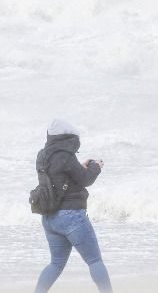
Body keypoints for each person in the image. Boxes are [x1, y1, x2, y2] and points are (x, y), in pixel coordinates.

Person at [34, 119, 112, 293]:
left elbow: (59, 176)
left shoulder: (42, 155)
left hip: (49, 218)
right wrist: (95, 167)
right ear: (69, 138)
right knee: (94, 261)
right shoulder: (67, 156)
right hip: (71, 217)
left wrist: (80, 166)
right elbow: (86, 179)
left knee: (55, 264)